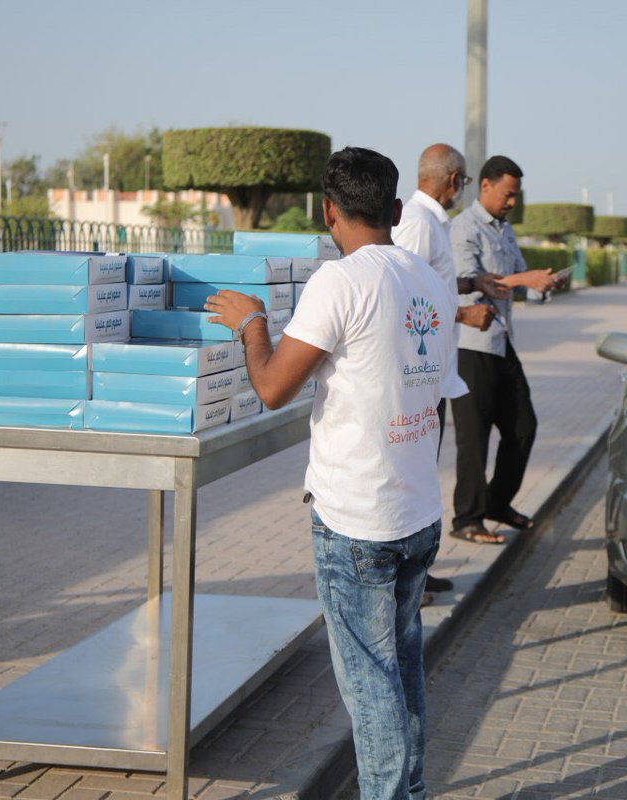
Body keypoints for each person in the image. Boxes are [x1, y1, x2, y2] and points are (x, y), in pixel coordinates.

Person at [205, 147, 454, 800]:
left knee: (372, 689)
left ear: (328, 213)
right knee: (402, 673)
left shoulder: (340, 282)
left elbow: (272, 387)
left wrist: (252, 323)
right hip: (418, 512)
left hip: (358, 523)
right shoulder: (429, 281)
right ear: (397, 211)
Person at [391, 143, 509, 601]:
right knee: (409, 482)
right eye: (462, 183)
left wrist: (470, 284)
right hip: (418, 380)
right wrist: (462, 316)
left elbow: (432, 283)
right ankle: (405, 584)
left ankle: (417, 574)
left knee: (420, 481)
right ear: (456, 181)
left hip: (433, 376)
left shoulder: (430, 222)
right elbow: (404, 296)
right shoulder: (419, 224)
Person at [448, 155, 565, 545]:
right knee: (474, 436)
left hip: (501, 342)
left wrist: (542, 285)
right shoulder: (463, 228)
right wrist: (521, 279)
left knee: (523, 427)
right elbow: (471, 283)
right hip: (471, 344)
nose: (512, 202)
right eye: (508, 194)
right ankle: (468, 518)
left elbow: (521, 282)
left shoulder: (505, 230)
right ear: (485, 186)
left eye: (516, 196)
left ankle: (498, 503)